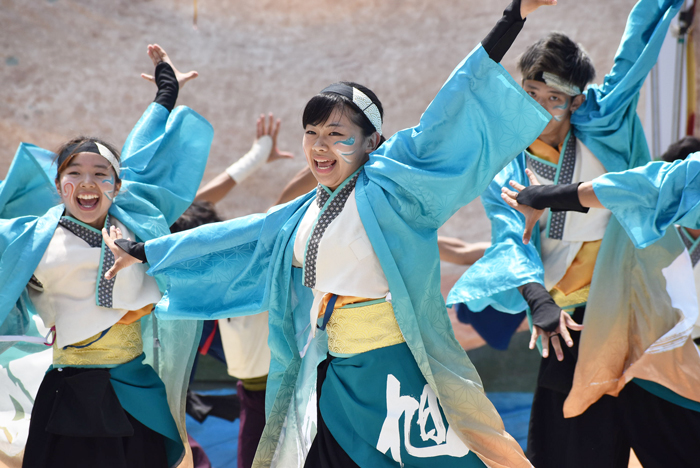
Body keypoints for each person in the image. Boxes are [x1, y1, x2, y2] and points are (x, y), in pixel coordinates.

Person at [104, 1, 553, 466]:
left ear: (372, 141)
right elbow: (233, 239)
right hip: (331, 370)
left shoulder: (392, 186)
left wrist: (513, 16)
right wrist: (144, 250)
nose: (319, 145)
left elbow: (452, 106)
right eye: (311, 132)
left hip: (392, 371)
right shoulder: (302, 211)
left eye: (336, 133)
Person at [448, 1, 700, 466]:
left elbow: (636, 47)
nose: (540, 108)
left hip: (639, 308)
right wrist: (537, 299)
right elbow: (510, 238)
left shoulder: (608, 124)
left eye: (553, 98)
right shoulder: (507, 164)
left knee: (680, 439)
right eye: (530, 93)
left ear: (576, 100)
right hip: (569, 323)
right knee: (568, 453)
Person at [0, 45, 212, 468]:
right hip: (67, 391)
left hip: (132, 384)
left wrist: (166, 90)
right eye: (74, 173)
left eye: (101, 174)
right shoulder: (31, 239)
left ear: (116, 185)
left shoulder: (136, 224)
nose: (87, 182)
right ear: (59, 186)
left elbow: (145, 152)